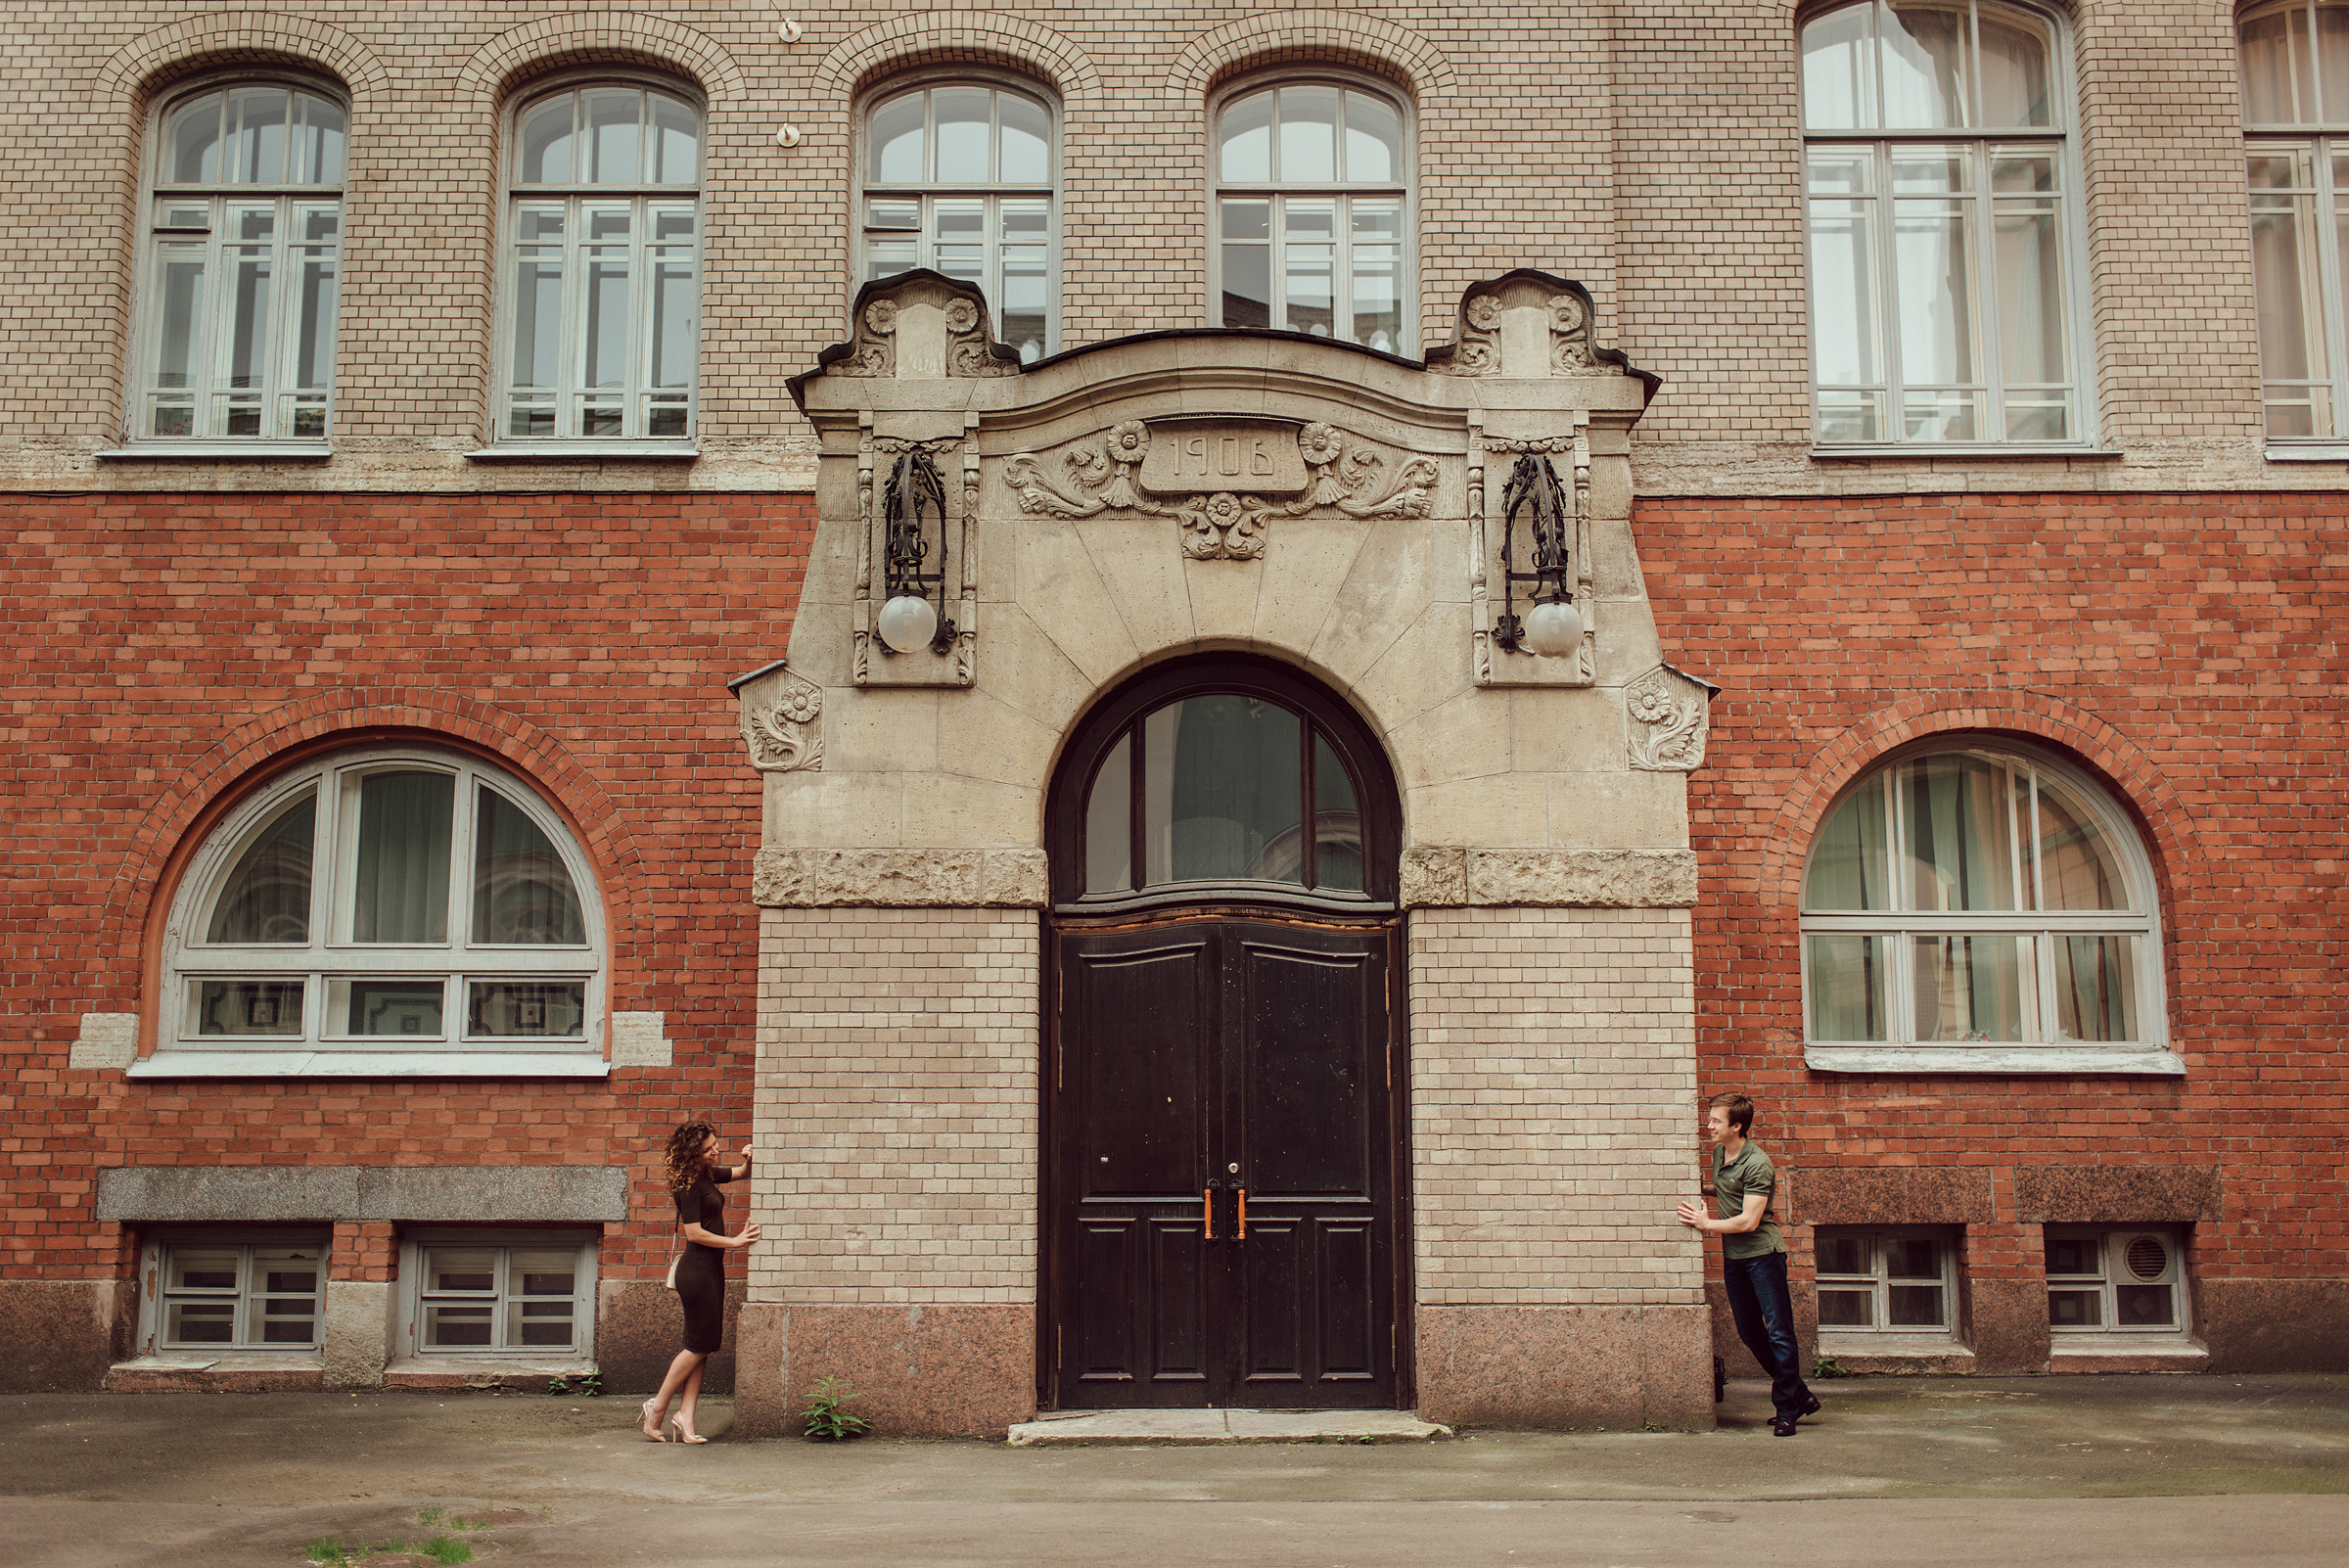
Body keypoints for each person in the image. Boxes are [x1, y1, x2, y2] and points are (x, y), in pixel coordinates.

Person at [1675, 1091, 1819, 1437]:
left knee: (1780, 1332)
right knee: (1750, 1332)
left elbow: (1748, 1221)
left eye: (1715, 1121)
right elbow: (1726, 1190)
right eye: (1709, 1119)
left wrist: (1704, 1224)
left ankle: (1786, 1409)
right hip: (1736, 1260)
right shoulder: (1719, 1152)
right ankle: (1799, 1395)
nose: (1708, 1125)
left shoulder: (1758, 1164)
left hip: (1763, 1257)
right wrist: (1701, 1192)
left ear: (1736, 1126)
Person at [641, 1119, 759, 1444]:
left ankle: (686, 1419)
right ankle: (656, 1408)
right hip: (695, 1271)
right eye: (708, 1149)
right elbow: (693, 1233)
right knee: (696, 1346)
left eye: (715, 1145)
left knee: (703, 1346)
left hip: (710, 1271)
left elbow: (740, 1174)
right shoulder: (688, 1184)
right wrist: (735, 1242)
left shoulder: (706, 1175)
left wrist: (749, 1158)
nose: (716, 1151)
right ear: (694, 1154)